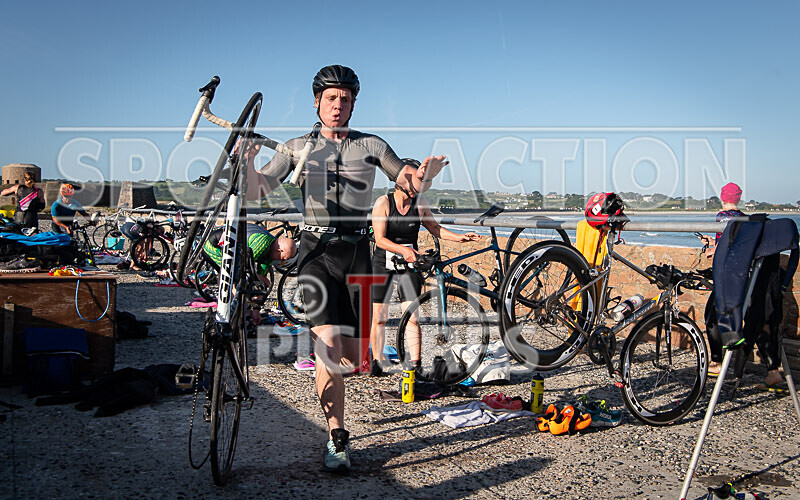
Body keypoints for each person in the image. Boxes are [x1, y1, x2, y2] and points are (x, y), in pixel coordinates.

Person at [245, 65, 448, 472]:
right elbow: (257, 189)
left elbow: (405, 182)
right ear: (317, 102)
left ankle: (338, 400)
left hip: (358, 254)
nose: (338, 106)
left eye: (346, 99)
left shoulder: (371, 146)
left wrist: (422, 178)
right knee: (328, 348)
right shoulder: (297, 147)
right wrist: (248, 164)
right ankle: (337, 436)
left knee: (354, 357)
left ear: (354, 104)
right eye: (331, 98)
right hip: (316, 252)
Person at [369, 158, 480, 376]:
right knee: (379, 317)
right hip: (384, 262)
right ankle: (377, 361)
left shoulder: (420, 203)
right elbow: (380, 239)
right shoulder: (383, 202)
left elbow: (435, 228)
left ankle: (416, 363)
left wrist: (460, 238)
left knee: (413, 317)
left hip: (410, 265)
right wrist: (403, 250)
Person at [700, 182, 784, 388]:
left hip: (733, 279)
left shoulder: (723, 216)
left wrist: (712, 248)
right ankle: (773, 371)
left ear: (722, 198)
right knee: (759, 319)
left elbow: (726, 245)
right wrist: (715, 243)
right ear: (738, 198)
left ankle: (717, 361)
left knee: (713, 313)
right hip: (756, 277)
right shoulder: (748, 220)